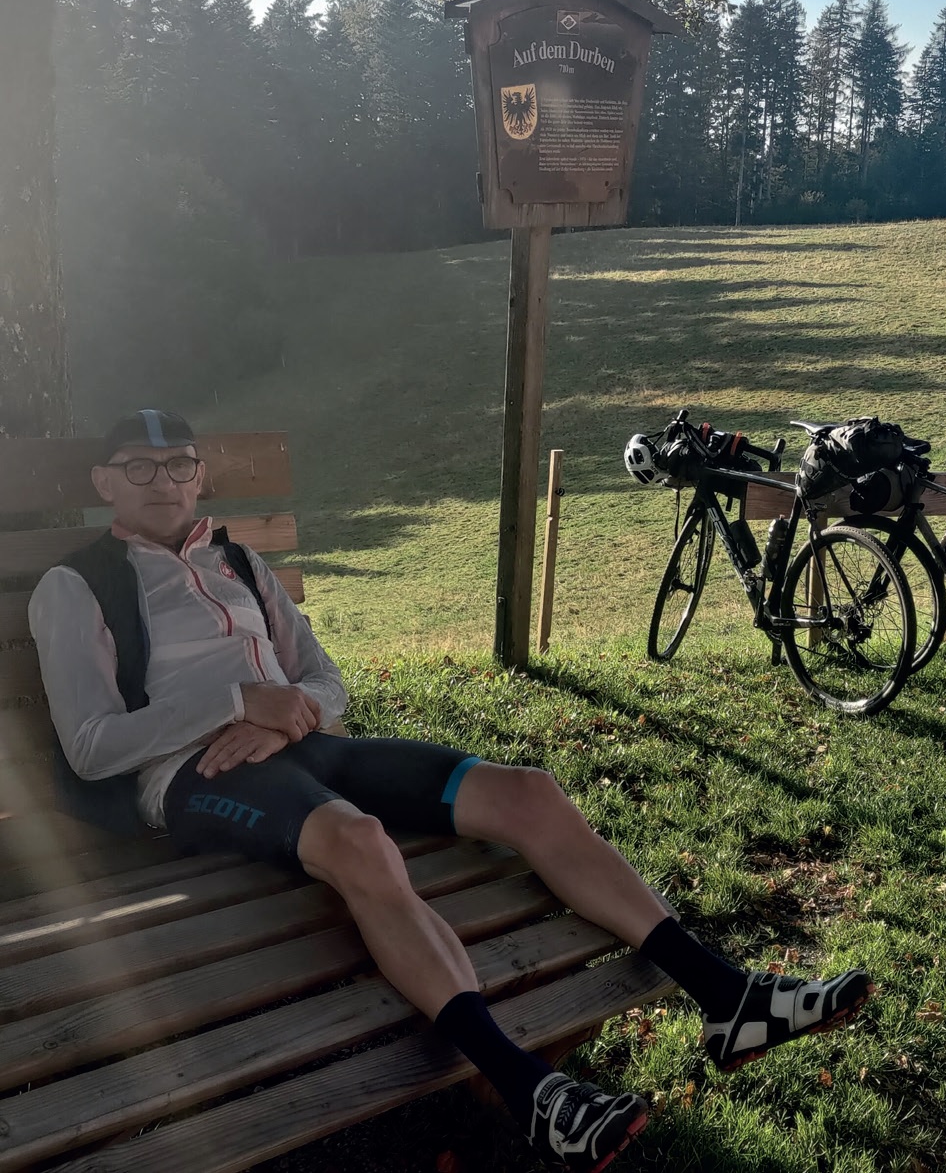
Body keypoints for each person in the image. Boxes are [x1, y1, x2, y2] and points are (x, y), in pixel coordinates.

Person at [28, 409, 871, 1173]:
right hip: (192, 777)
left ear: (199, 476)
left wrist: (287, 717)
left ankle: (727, 996)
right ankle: (530, 1091)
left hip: (302, 745)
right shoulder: (77, 585)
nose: (164, 481)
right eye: (140, 467)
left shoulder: (240, 561)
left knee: (528, 794)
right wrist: (235, 702)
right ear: (106, 483)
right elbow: (93, 746)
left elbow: (326, 682)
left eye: (178, 464)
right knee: (360, 841)